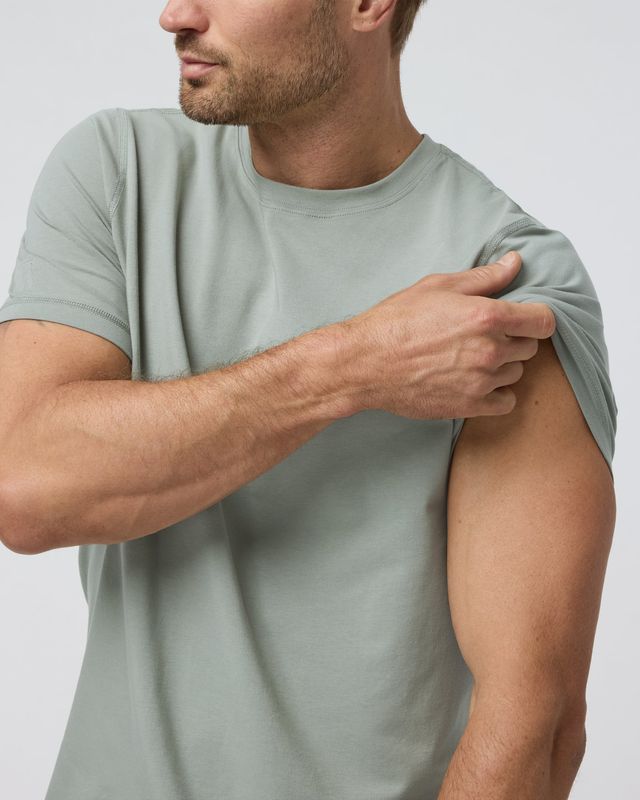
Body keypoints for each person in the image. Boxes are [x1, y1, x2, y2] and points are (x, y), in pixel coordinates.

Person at [0, 1, 617, 798]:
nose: (176, 14)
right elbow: (25, 487)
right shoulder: (118, 172)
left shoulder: (502, 285)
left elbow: (533, 722)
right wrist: (352, 363)